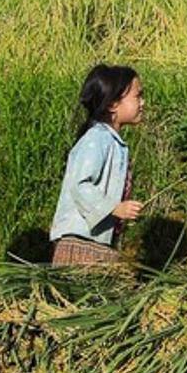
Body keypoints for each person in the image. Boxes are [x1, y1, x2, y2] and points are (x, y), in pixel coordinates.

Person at [48, 64, 147, 266]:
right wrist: (114, 208)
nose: (142, 103)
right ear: (112, 104)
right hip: (80, 244)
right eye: (137, 96)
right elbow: (80, 185)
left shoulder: (111, 142)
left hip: (96, 243)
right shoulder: (97, 139)